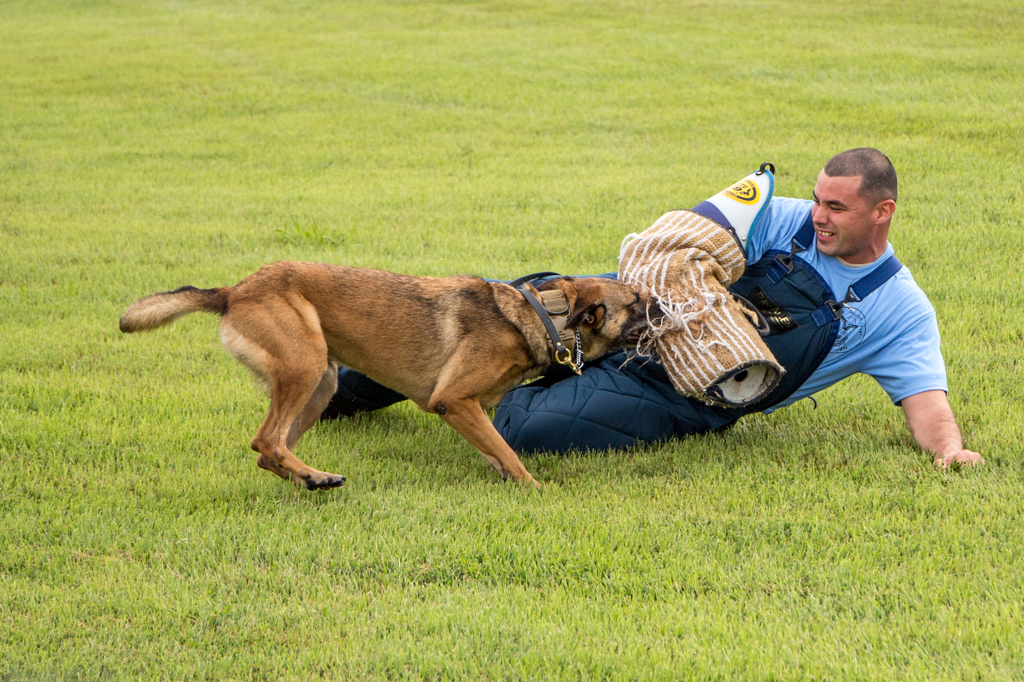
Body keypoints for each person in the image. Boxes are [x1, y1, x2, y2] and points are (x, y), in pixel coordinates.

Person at [322, 149, 983, 469]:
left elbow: (930, 410)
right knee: (494, 314)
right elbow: (674, 237)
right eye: (817, 199)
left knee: (527, 428)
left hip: (686, 394)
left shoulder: (899, 310)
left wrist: (950, 452)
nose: (819, 216)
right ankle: (335, 393)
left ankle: (488, 399)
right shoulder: (776, 215)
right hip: (630, 316)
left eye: (836, 208)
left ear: (882, 211)